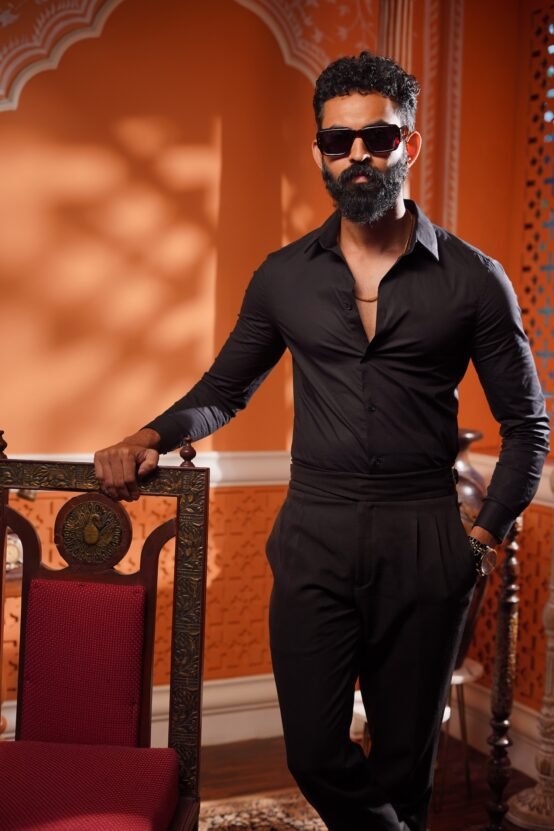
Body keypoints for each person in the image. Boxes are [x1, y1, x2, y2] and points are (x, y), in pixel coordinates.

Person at [94, 52, 550, 831]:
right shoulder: (283, 277)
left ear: (408, 143)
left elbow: (527, 426)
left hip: (424, 534)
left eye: (378, 137)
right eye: (339, 142)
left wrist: (477, 543)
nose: (357, 155)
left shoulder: (475, 278)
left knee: (406, 767)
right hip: (314, 531)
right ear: (320, 153)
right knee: (312, 750)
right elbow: (223, 388)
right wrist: (148, 435)